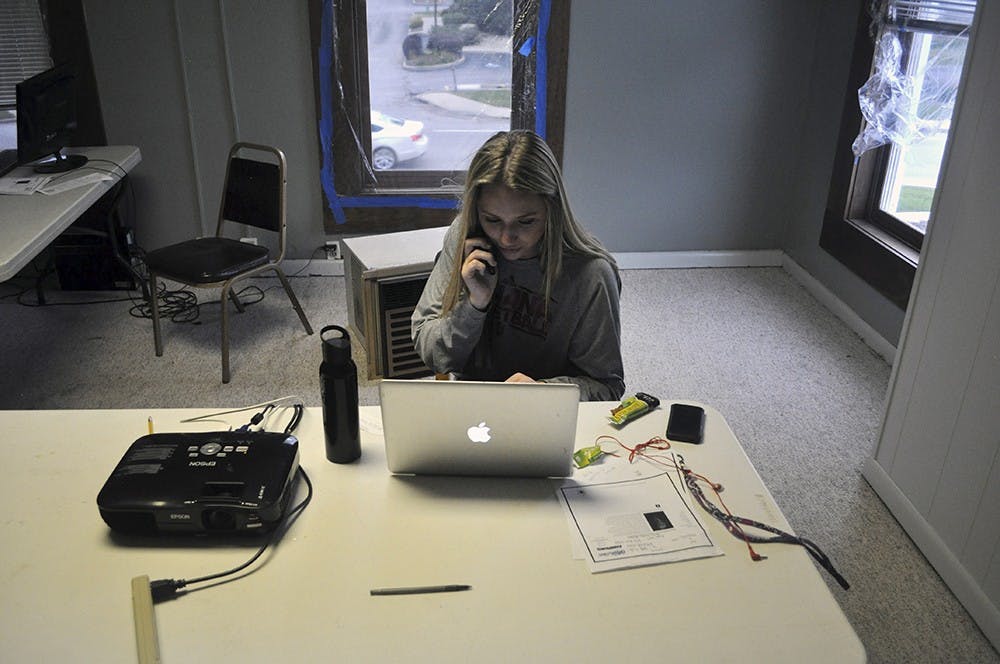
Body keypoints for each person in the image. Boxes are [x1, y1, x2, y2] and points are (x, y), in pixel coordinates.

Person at [411, 130, 625, 401]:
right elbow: (431, 350)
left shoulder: (592, 274)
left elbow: (608, 386)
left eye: (526, 222)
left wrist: (543, 391)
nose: (506, 238)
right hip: (472, 406)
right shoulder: (465, 237)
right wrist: (475, 304)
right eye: (493, 220)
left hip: (549, 414)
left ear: (552, 210)